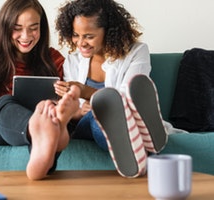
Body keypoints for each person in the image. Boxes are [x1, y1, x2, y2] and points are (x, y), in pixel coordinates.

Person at [0, 0, 80, 180]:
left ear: (42, 28)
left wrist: (62, 100)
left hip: (31, 128)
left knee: (54, 116)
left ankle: (45, 148)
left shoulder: (54, 59)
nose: (26, 35)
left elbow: (65, 101)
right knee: (6, 102)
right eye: (17, 28)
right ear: (5, 27)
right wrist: (4, 111)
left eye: (33, 28)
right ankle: (38, 128)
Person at [54, 0, 168, 178]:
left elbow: (126, 99)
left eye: (89, 36)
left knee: (110, 110)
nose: (80, 43)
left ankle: (139, 149)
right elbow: (75, 111)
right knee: (98, 116)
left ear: (108, 31)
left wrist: (87, 92)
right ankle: (148, 143)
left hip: (129, 115)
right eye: (76, 35)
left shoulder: (137, 52)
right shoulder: (73, 60)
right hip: (88, 122)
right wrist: (75, 106)